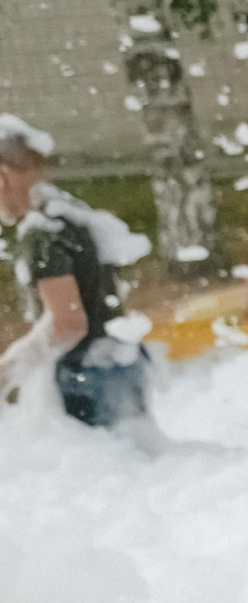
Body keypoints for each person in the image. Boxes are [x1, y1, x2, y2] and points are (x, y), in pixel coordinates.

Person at [0, 114, 154, 430]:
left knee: (104, 474)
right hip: (119, 359)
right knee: (139, 467)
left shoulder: (41, 233)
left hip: (86, 373)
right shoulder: (70, 213)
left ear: (2, 177)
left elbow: (67, 324)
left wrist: (8, 370)